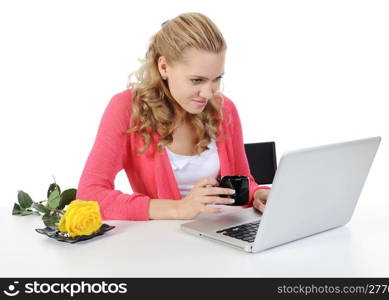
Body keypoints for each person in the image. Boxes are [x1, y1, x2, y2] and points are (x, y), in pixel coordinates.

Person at [76, 12, 270, 220]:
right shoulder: (127, 108)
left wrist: (258, 193)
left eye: (216, 78)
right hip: (164, 242)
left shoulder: (225, 109)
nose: (208, 93)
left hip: (221, 232)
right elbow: (90, 195)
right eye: (197, 80)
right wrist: (179, 209)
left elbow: (242, 182)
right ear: (164, 67)